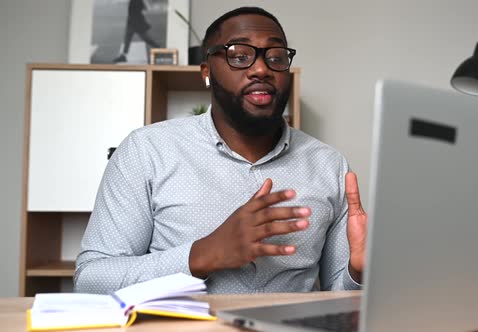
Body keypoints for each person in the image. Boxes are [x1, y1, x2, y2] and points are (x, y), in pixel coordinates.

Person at [75, 6, 367, 294]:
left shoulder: (330, 166)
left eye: (276, 57)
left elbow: (339, 298)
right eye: (239, 56)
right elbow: (91, 280)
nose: (262, 68)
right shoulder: (147, 151)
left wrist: (357, 272)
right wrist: (201, 255)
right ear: (207, 72)